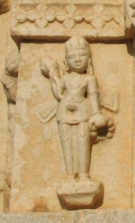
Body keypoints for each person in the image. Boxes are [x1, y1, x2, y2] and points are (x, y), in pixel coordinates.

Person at [41, 37, 107, 182]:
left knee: (83, 141)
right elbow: (59, 93)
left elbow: (93, 96)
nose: (77, 59)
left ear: (89, 60)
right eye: (72, 57)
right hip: (64, 111)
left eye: (82, 55)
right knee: (67, 142)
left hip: (83, 111)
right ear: (66, 61)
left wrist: (96, 114)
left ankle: (83, 174)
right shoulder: (65, 79)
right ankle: (70, 176)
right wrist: (53, 72)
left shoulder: (89, 79)